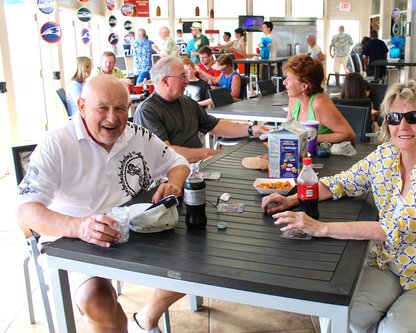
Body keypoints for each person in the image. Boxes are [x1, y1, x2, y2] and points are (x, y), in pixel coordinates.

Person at [263, 80, 416, 333]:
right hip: (390, 263)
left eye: (415, 117)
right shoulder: (385, 155)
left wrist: (320, 228)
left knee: (395, 329)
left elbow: (394, 228)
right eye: (395, 117)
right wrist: (293, 199)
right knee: (342, 315)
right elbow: (341, 183)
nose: (403, 126)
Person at [17, 74, 191, 333]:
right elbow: (27, 210)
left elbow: (178, 162)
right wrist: (80, 227)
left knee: (194, 267)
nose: (112, 118)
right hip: (75, 241)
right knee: (102, 309)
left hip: (135, 231)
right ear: (82, 106)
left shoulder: (137, 134)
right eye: (102, 108)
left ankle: (144, 318)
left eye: (120, 108)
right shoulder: (56, 144)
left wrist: (173, 185)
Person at [133, 56, 269, 163]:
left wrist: (251, 129)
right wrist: (208, 153)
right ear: (165, 81)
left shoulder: (187, 102)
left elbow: (215, 125)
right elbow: (166, 152)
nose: (187, 80)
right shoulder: (147, 111)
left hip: (199, 166)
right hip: (169, 177)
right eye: (182, 76)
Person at [284, 54, 355, 144]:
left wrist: (309, 138)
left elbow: (348, 134)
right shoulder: (294, 99)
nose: (284, 82)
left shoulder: (319, 103)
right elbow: (290, 131)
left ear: (304, 86)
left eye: (289, 79)